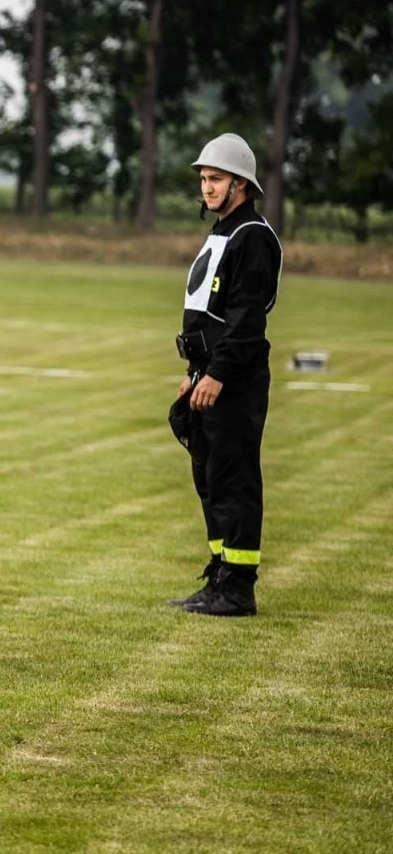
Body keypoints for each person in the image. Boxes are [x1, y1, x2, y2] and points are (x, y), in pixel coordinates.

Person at [167, 133, 282, 617]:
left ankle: (238, 588)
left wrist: (216, 374)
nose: (207, 187)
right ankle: (220, 576)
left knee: (233, 480)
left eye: (216, 179)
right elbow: (208, 311)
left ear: (241, 184)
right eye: (204, 179)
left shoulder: (251, 236)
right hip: (209, 373)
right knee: (211, 478)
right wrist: (195, 372)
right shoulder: (223, 231)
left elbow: (245, 320)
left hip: (234, 379)